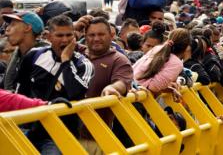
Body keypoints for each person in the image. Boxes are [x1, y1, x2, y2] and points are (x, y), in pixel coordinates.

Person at [16, 15, 94, 154]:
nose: (64, 40)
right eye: (59, 35)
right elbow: (21, 91)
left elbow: (76, 93)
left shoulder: (83, 64)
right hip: (27, 129)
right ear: (49, 37)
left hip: (58, 134)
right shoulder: (34, 56)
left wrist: (65, 60)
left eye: (69, 35)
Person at [80, 17, 133, 153]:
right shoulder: (76, 54)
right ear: (85, 36)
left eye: (101, 34)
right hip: (62, 133)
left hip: (94, 140)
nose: (96, 38)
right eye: (92, 35)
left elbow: (122, 82)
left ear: (111, 36)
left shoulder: (118, 60)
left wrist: (112, 88)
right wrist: (74, 28)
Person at [133, 28, 191, 93]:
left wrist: (169, 89)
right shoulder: (176, 63)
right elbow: (153, 87)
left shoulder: (157, 48)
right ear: (187, 47)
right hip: (136, 96)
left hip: (130, 90)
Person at [2, 12, 46, 91]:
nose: (7, 29)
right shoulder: (17, 54)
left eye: (13, 25)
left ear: (27, 28)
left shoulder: (45, 56)